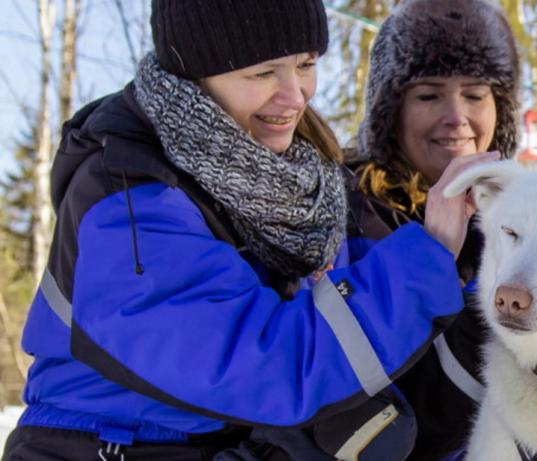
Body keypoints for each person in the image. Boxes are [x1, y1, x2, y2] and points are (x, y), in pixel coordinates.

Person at [2, 1, 495, 459]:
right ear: (193, 72)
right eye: (262, 72)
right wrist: (429, 253)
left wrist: (501, 320)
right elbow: (271, 369)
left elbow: (381, 379)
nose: (294, 94)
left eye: (305, 64)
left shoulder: (308, 187)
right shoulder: (129, 195)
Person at [345, 0, 520, 460]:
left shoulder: (510, 227)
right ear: (390, 112)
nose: (457, 117)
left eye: (476, 94)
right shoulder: (350, 216)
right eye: (429, 95)